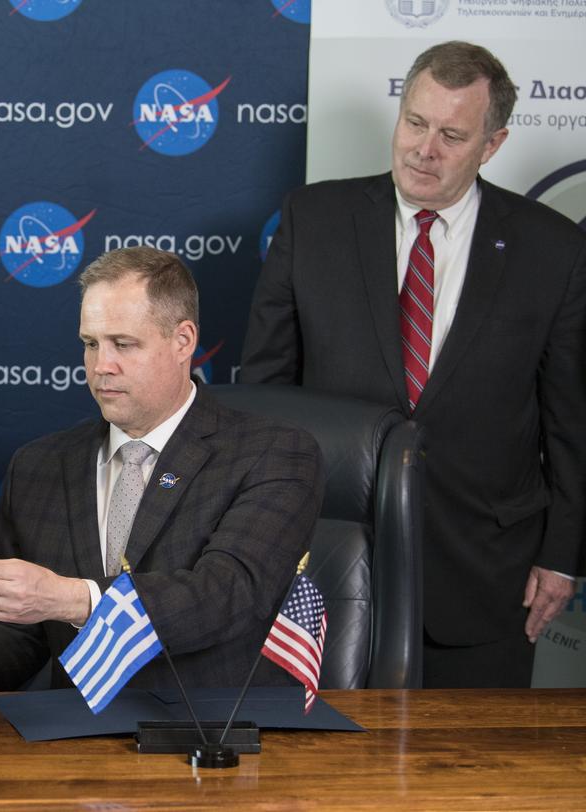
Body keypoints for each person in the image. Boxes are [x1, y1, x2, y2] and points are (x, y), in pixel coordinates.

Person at [0, 247, 323, 693]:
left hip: (214, 739)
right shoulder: (40, 466)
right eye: (90, 343)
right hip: (75, 743)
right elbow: (20, 639)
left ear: (183, 340)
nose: (101, 366)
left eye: (123, 344)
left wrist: (70, 598)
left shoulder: (274, 453)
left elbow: (225, 596)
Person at [239, 41, 585, 687]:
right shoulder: (313, 219)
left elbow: (571, 423)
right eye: (415, 123)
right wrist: (258, 535)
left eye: (452, 135)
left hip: (487, 574)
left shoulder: (553, 249)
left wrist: (562, 556)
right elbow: (265, 395)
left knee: (470, 752)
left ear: (492, 144)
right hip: (324, 568)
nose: (424, 149)